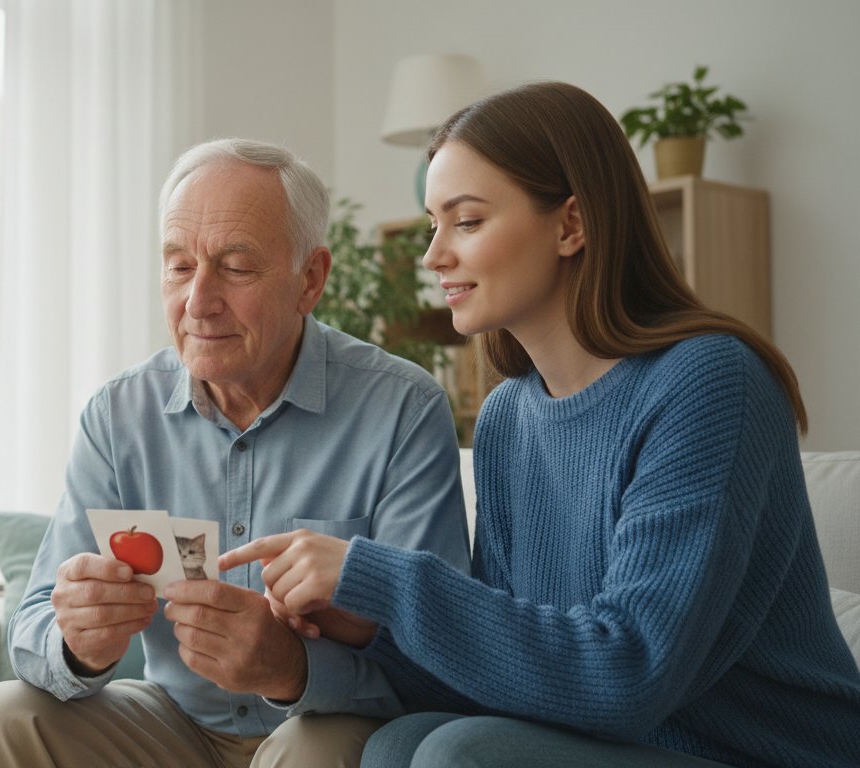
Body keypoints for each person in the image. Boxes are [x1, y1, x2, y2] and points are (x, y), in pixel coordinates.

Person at [221, 82, 860, 768]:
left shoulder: (708, 383)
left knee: (460, 755)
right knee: (400, 744)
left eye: (465, 221)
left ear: (570, 225)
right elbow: (502, 682)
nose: (434, 256)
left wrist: (386, 578)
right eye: (432, 224)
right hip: (614, 747)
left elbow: (628, 674)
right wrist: (365, 625)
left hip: (765, 753)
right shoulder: (508, 419)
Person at [0, 138, 470, 767]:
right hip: (176, 725)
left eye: (236, 266)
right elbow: (34, 622)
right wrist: (78, 644)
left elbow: (444, 656)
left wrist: (293, 668)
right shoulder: (118, 416)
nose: (198, 302)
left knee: (310, 748)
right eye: (178, 266)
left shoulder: (402, 409)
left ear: (310, 279)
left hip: (324, 722)